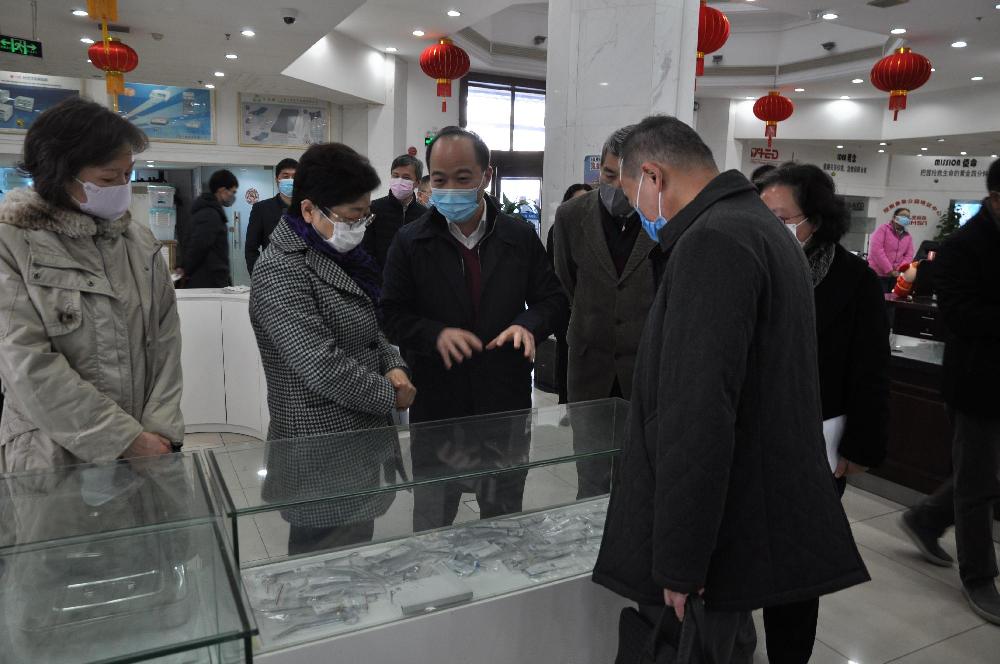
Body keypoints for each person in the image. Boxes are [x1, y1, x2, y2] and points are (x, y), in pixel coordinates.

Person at [592, 116, 869, 658]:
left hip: (712, 535)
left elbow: (697, 413)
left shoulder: (712, 241)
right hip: (739, 515)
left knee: (695, 647)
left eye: (631, 193)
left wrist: (680, 559)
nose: (637, 211)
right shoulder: (759, 227)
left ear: (653, 177)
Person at [381, 126, 568, 531]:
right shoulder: (410, 241)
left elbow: (553, 300)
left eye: (462, 178)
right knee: (433, 519)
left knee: (502, 515)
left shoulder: (518, 236)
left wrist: (527, 325)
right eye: (439, 179)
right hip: (438, 402)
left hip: (503, 400)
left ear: (486, 176)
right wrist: (434, 334)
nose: (450, 189)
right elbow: (391, 314)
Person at [0, 97, 183, 473]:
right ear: (59, 175)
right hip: (53, 455)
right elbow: (26, 365)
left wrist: (158, 432)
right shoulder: (12, 243)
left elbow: (166, 342)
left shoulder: (140, 243)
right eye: (108, 179)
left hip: (149, 451)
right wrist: (125, 440)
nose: (122, 187)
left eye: (128, 175)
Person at [249, 143, 416, 555]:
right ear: (309, 210)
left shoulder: (339, 254)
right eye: (352, 215)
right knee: (320, 565)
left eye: (365, 214)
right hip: (319, 448)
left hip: (356, 442)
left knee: (354, 553)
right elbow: (321, 365)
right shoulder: (281, 269)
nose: (360, 225)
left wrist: (393, 364)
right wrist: (390, 394)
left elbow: (370, 328)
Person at [759, 163, 890, 663]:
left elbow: (871, 368)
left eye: (782, 218)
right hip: (750, 434)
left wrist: (861, 446)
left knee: (797, 562)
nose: (771, 228)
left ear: (814, 220)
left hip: (818, 441)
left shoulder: (854, 280)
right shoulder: (751, 265)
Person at [900, 158, 1000, 624]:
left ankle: (925, 518)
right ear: (995, 199)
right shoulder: (963, 246)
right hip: (977, 382)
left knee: (983, 474)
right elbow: (959, 317)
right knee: (977, 483)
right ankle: (978, 577)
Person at [552, 125, 661, 499]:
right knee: (591, 475)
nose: (616, 186)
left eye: (627, 177)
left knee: (642, 476)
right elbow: (567, 280)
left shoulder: (663, 217)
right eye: (609, 175)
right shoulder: (571, 216)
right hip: (590, 366)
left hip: (646, 368)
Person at [545, 182, 592, 405]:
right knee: (566, 357)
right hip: (567, 307)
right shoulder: (558, 230)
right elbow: (558, 270)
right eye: (576, 201)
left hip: (591, 311)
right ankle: (565, 403)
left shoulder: (599, 230)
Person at [364, 154, 428, 277]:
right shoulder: (374, 208)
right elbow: (366, 249)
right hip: (379, 280)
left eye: (406, 177)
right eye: (396, 176)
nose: (399, 181)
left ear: (417, 183)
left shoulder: (424, 215)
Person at [182, 169, 238, 288]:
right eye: (232, 192)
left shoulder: (205, 211)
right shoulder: (210, 214)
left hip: (208, 279)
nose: (233, 196)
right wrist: (186, 270)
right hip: (208, 281)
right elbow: (198, 246)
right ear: (222, 190)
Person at [245, 158, 298, 276]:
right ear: (277, 180)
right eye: (285, 176)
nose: (291, 180)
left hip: (303, 277)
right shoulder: (261, 209)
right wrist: (258, 276)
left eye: (295, 176)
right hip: (273, 275)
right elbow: (251, 248)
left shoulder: (309, 209)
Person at [868, 207, 915, 291]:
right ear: (894, 217)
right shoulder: (883, 229)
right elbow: (877, 251)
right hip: (878, 274)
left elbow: (909, 255)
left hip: (896, 276)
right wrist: (889, 270)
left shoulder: (908, 236)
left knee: (893, 298)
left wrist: (900, 269)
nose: (905, 218)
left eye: (908, 217)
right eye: (903, 216)